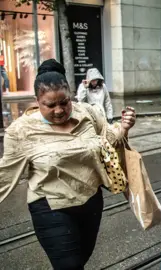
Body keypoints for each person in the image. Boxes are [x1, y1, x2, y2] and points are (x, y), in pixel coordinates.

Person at [0, 59, 136, 269]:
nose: (59, 110)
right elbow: (5, 174)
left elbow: (110, 139)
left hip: (90, 201)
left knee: (81, 259)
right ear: (37, 101)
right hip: (50, 206)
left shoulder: (89, 113)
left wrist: (125, 127)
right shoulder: (21, 130)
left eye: (64, 102)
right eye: (50, 105)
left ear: (71, 96)